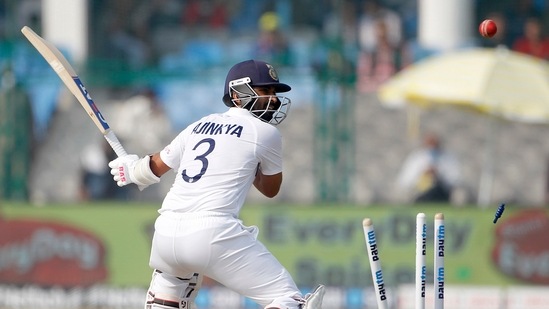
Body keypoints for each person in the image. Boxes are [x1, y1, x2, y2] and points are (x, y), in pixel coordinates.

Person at [108, 60, 325, 309]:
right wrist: (251, 164)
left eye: (274, 93)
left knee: (167, 302)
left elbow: (153, 167)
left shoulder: (199, 124)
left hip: (165, 234)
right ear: (236, 93)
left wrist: (131, 168)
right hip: (213, 232)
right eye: (266, 91)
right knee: (289, 299)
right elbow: (271, 189)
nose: (274, 99)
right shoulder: (265, 133)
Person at [395, 133, 461, 203]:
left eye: (434, 144)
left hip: (442, 193)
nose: (432, 147)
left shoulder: (447, 158)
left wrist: (439, 174)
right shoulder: (417, 158)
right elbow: (405, 180)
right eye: (430, 143)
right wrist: (423, 175)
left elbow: (456, 179)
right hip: (420, 194)